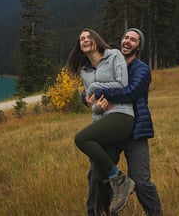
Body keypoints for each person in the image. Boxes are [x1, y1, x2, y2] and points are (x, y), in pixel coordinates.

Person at [85, 28, 162, 216]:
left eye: (133, 40)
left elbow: (130, 92)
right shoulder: (112, 63)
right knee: (97, 174)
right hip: (113, 129)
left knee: (141, 181)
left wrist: (99, 92)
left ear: (138, 46)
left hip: (135, 131)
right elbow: (92, 83)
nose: (127, 41)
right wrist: (85, 97)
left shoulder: (141, 69)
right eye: (126, 37)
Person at [66, 28, 136, 214]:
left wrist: (96, 87)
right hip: (101, 120)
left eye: (89, 37)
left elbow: (123, 85)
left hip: (121, 116)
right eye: (82, 38)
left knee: (81, 138)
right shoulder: (85, 70)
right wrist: (95, 107)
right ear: (79, 46)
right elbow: (93, 104)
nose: (86, 40)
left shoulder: (114, 55)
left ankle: (120, 180)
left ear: (97, 39)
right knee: (97, 175)